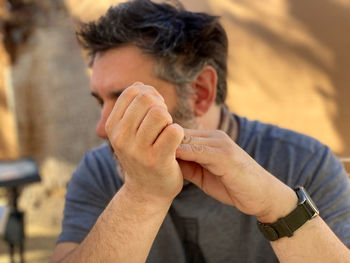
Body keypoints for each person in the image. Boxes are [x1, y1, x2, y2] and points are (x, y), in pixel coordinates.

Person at [50, 0, 350, 262]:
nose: (102, 128)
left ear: (200, 92)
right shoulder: (98, 172)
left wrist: (280, 208)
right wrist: (141, 196)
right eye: (100, 101)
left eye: (128, 101)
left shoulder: (305, 163)